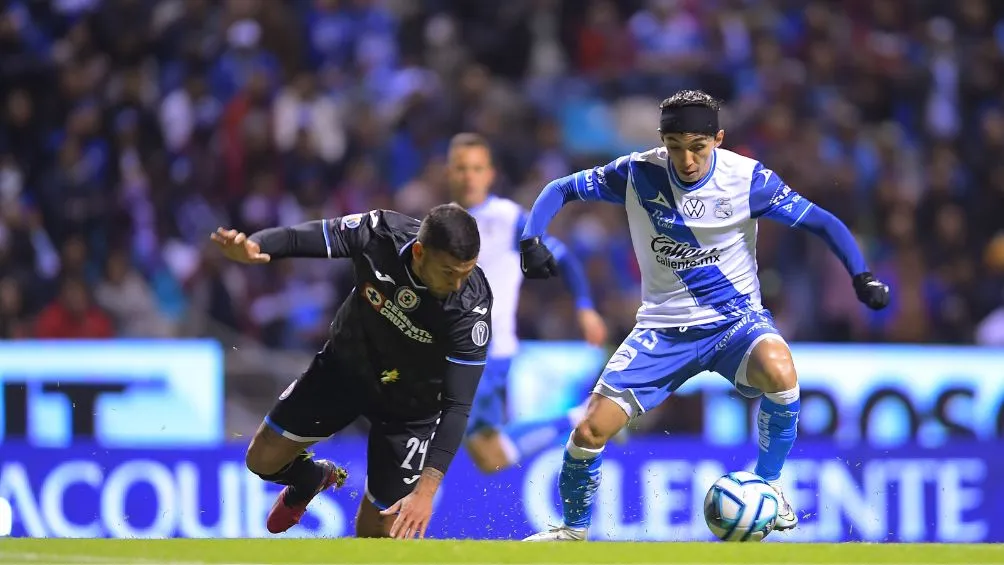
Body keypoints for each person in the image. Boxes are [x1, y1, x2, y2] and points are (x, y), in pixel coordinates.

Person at [517, 90, 891, 541]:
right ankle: (572, 533)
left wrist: (861, 275)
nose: (687, 159)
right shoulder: (638, 173)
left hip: (735, 323)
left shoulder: (749, 180)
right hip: (662, 330)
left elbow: (823, 222)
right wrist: (532, 239)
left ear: (718, 138)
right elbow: (561, 188)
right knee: (590, 430)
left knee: (781, 370)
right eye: (675, 146)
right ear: (662, 141)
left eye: (697, 146)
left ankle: (769, 486)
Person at [211, 204, 493, 539]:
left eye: (466, 272)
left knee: (380, 530)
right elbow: (303, 237)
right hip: (344, 370)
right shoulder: (379, 233)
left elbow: (458, 406)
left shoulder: (470, 309)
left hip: (411, 408)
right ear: (419, 252)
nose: (459, 284)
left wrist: (425, 494)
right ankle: (310, 479)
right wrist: (257, 245)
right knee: (261, 460)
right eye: (449, 272)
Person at [445, 132, 610, 474]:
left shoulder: (508, 218)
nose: (469, 176)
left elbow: (564, 259)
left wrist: (584, 307)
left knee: (432, 424)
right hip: (450, 350)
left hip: (486, 350)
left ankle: (398, 510)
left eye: (477, 168)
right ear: (449, 172)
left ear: (490, 174)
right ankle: (579, 417)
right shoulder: (438, 223)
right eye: (461, 168)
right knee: (491, 457)